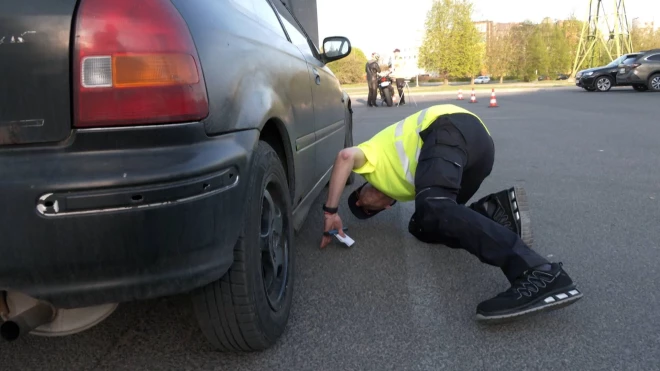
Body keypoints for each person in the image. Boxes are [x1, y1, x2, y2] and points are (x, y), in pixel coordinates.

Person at [320, 104, 583, 322]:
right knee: (424, 225)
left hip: (448, 129)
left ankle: (538, 272)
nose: (368, 204)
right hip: (479, 148)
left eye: (361, 201)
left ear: (365, 185)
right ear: (387, 208)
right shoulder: (399, 190)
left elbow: (344, 157)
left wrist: (331, 211)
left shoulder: (371, 161)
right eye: (369, 211)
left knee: (434, 206)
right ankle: (497, 213)